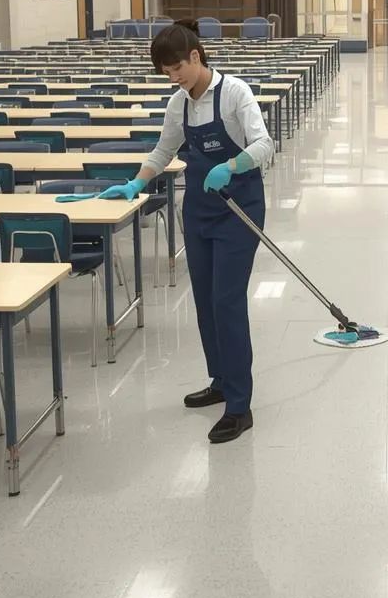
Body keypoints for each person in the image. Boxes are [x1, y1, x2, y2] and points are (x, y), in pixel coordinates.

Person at [98, 24, 274, 444]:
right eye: (165, 72)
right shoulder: (178, 104)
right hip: (197, 212)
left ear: (196, 56)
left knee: (227, 302)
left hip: (238, 209)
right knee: (205, 304)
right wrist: (135, 183)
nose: (172, 77)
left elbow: (264, 143)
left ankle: (239, 405)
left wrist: (231, 166)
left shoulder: (235, 93)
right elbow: (163, 151)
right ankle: (220, 380)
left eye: (176, 67)